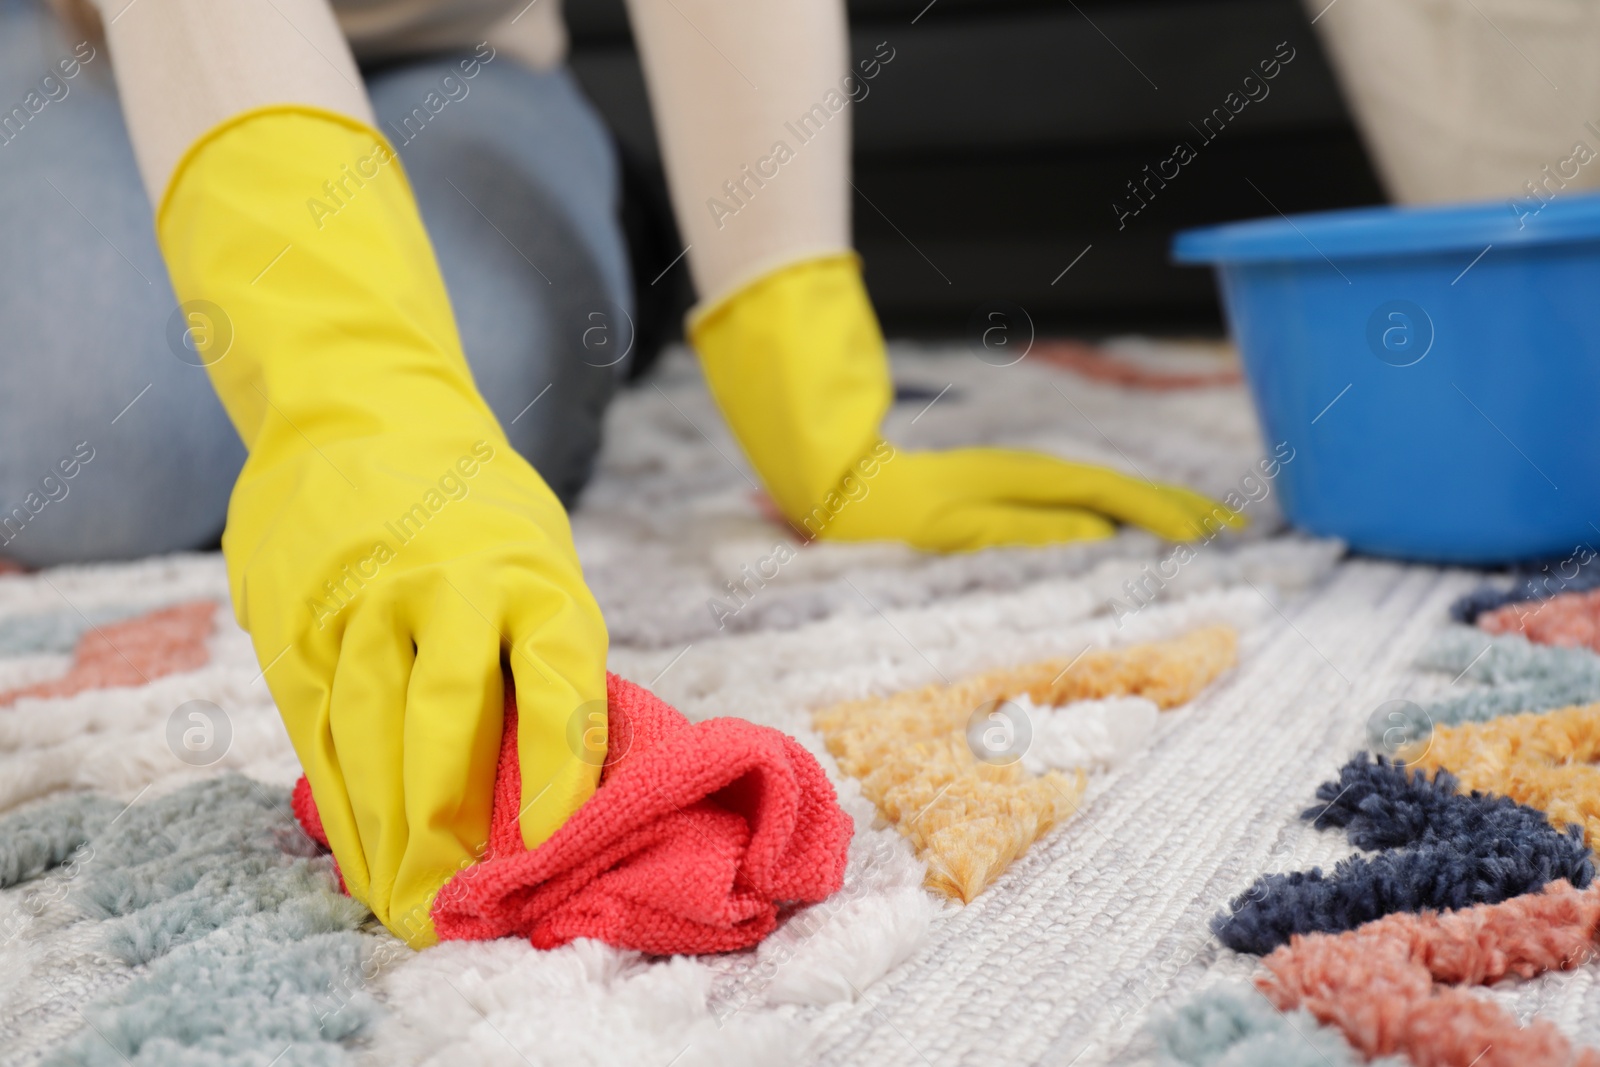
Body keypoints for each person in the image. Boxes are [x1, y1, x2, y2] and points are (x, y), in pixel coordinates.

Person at [0, 0, 1235, 947]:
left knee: (481, 368)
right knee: (83, 435)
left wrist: (799, 368)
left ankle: (591, 239)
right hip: (92, 41)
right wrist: (349, 388)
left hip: (450, 52)